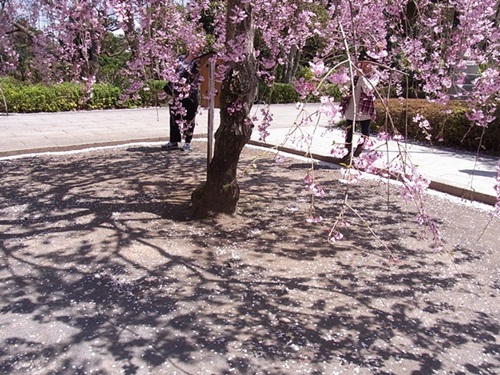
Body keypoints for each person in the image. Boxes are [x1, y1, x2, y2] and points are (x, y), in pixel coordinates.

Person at [339, 58, 379, 164]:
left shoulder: (374, 76)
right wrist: (354, 76)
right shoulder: (354, 75)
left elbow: (368, 89)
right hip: (351, 106)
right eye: (362, 63)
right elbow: (344, 87)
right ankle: (346, 152)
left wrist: (361, 77)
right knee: (349, 130)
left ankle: (359, 151)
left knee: (365, 130)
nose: (364, 66)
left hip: (365, 107)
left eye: (367, 64)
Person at [162, 48, 201, 151]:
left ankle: (187, 142)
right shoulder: (180, 59)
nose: (195, 50)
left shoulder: (199, 61)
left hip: (190, 93)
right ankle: (173, 141)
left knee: (190, 118)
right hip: (176, 92)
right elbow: (171, 72)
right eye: (194, 47)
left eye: (198, 47)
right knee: (174, 117)